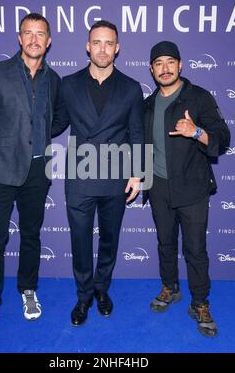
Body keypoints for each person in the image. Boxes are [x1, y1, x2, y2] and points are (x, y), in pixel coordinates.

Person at [0, 13, 63, 342]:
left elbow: (57, 118)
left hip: (38, 170)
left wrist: (38, 137)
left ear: (49, 41)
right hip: (0, 171)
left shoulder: (54, 79)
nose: (35, 40)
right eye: (29, 33)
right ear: (19, 38)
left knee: (31, 236)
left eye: (41, 34)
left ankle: (28, 288)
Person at [52, 20, 144, 326]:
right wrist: (25, 124)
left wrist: (137, 173)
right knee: (80, 240)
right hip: (79, 176)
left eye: (109, 43)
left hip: (115, 175)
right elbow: (57, 123)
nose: (102, 49)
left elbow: (136, 132)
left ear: (116, 48)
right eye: (97, 42)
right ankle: (83, 295)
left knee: (109, 238)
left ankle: (102, 288)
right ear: (87, 46)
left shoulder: (131, 88)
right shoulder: (68, 84)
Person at [143, 41, 230, 337]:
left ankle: (200, 302)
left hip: (192, 189)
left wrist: (196, 132)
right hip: (158, 187)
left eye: (170, 62)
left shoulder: (199, 98)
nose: (165, 68)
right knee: (165, 243)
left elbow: (223, 137)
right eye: (158, 63)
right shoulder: (148, 104)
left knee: (195, 249)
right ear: (152, 70)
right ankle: (170, 287)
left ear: (180, 65)